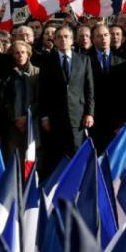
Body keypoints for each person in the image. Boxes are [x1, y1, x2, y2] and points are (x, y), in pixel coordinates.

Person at [36, 26, 94, 178]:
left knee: (77, 154)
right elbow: (43, 91)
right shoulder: (47, 61)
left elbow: (89, 89)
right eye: (59, 37)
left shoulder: (83, 59)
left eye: (66, 37)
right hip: (55, 117)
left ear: (72, 39)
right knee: (56, 156)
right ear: (54, 41)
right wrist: (44, 117)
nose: (63, 40)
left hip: (78, 116)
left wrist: (90, 113)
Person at [0, 40, 40, 165]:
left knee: (31, 160)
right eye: (16, 53)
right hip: (13, 125)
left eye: (23, 52)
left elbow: (40, 99)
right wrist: (15, 118)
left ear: (28, 54)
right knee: (13, 160)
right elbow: (4, 100)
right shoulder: (8, 75)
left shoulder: (37, 73)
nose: (20, 55)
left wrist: (27, 117)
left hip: (33, 123)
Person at [88, 24, 125, 150]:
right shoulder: (86, 60)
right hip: (95, 118)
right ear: (93, 39)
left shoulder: (121, 60)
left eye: (106, 35)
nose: (103, 38)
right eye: (99, 36)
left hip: (116, 118)